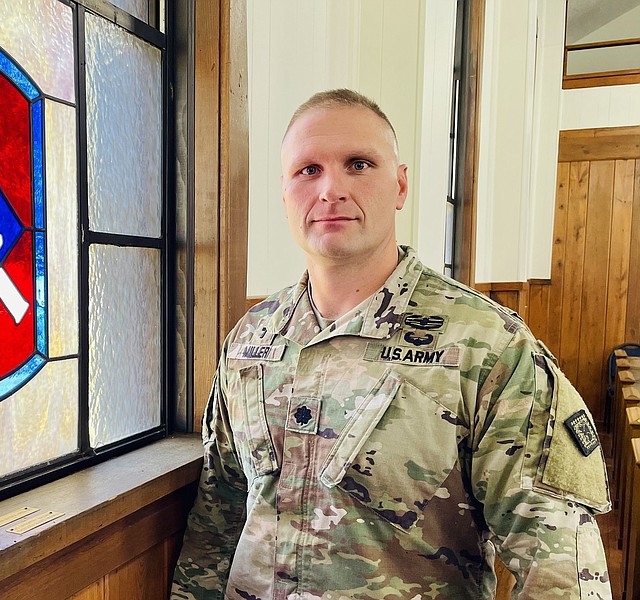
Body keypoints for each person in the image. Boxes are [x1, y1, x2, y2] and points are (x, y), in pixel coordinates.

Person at [170, 89, 612, 599]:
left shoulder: (488, 346)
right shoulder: (251, 340)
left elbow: (557, 563)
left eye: (358, 164)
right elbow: (218, 515)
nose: (331, 188)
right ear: (284, 192)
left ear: (400, 185)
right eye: (308, 170)